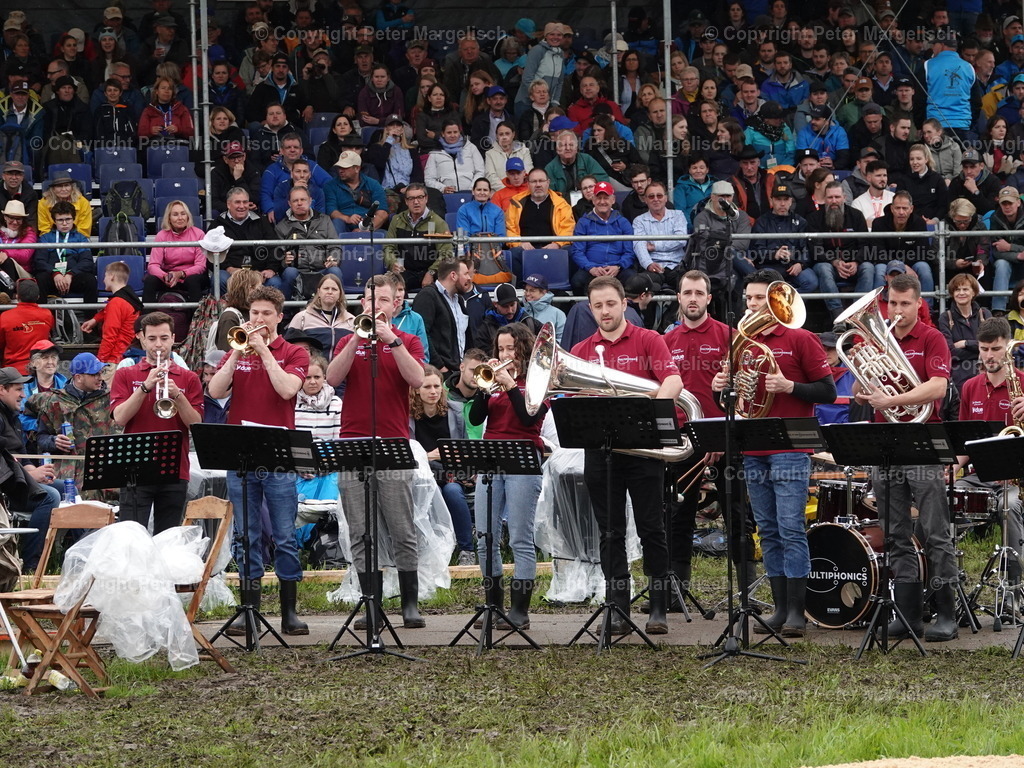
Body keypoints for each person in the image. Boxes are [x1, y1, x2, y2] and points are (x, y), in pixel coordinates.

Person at [713, 269, 836, 638]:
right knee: (766, 529)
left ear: (776, 301)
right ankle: (781, 608)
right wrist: (723, 386)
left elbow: (827, 391)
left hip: (789, 447)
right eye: (748, 298)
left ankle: (798, 610)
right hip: (753, 446)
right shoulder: (740, 340)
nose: (752, 304)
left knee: (790, 527)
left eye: (759, 298)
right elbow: (735, 400)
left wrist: (789, 385)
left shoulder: (801, 338)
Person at [572, 276, 682, 635]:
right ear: (591, 309)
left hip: (642, 450)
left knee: (652, 528)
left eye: (610, 304)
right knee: (609, 532)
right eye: (598, 306)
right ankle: (617, 606)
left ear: (624, 304)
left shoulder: (649, 339)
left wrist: (652, 408)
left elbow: (673, 381)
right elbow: (571, 399)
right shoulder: (582, 350)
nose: (605, 311)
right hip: (601, 452)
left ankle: (659, 605)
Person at [851, 272, 957, 642]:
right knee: (895, 532)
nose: (896, 310)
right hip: (887, 444)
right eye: (891, 304)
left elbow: (937, 386)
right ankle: (908, 614)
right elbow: (859, 386)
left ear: (918, 304)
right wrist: (864, 390)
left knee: (934, 532)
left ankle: (946, 613)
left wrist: (891, 400)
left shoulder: (932, 337)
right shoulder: (878, 340)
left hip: (923, 442)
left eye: (904, 304)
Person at [207, 286, 310, 637]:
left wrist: (265, 351)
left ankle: (289, 612)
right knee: (245, 534)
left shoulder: (294, 352)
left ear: (279, 317)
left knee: (283, 534)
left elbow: (286, 390)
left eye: (266, 314)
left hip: (278, 456)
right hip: (241, 454)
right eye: (254, 314)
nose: (258, 320)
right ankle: (248, 608)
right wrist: (237, 353)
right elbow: (215, 392)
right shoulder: (239, 347)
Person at [326, 275, 427, 629]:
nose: (376, 307)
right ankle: (371, 604)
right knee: (360, 531)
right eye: (370, 302)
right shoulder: (347, 342)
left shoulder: (408, 340)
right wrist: (357, 338)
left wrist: (392, 341)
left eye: (383, 301)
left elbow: (417, 380)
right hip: (352, 442)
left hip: (393, 442)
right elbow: (331, 379)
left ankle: (410, 604)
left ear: (395, 305)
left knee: (401, 526)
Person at [663, 270, 757, 601]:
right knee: (678, 516)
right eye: (686, 292)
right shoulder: (667, 340)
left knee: (737, 517)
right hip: (680, 441)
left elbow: (744, 390)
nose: (692, 298)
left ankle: (748, 594)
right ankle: (676, 595)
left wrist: (720, 435)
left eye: (698, 293)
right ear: (678, 297)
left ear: (708, 298)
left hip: (723, 439)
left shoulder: (728, 335)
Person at [467, 323, 546, 628]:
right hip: (491, 457)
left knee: (520, 537)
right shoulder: (495, 384)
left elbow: (529, 417)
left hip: (524, 458)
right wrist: (484, 391)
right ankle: (493, 605)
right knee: (485, 535)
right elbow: (475, 418)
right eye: (500, 349)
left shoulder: (536, 381)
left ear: (524, 349)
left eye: (511, 348)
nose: (504, 354)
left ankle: (520, 610)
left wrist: (511, 386)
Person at [110, 312, 203, 534]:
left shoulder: (189, 378)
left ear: (173, 338)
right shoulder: (125, 374)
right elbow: (120, 418)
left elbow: (196, 425)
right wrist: (145, 386)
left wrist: (178, 396)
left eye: (163, 338)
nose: (158, 345)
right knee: (132, 536)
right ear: (141, 339)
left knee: (168, 537)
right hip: (134, 468)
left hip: (174, 469)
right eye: (151, 339)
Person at [955, 317, 1024, 589]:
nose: (989, 355)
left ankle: (1014, 590)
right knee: (943, 497)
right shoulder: (970, 386)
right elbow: (965, 442)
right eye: (984, 349)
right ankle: (945, 589)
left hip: (1016, 478)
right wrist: (950, 467)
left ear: (1008, 347)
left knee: (1010, 508)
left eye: (996, 349)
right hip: (979, 476)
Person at [29, 352, 118, 502]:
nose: (100, 378)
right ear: (78, 377)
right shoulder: (53, 401)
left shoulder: (111, 400)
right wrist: (53, 441)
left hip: (100, 478)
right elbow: (40, 438)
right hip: (65, 477)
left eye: (101, 373)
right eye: (94, 374)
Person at [409, 364, 475, 566]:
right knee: (431, 491)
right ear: (417, 389)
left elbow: (463, 447)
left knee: (453, 492)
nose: (433, 391)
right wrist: (427, 456)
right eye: (427, 387)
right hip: (423, 474)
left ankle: (467, 549)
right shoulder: (408, 417)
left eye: (437, 386)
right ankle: (431, 550)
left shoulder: (454, 411)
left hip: (451, 472)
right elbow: (408, 453)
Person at [807, 181, 873, 321]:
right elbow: (815, 249)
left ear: (844, 197)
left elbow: (865, 244)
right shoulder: (814, 218)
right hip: (829, 264)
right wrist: (834, 261)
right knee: (823, 268)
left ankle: (857, 315)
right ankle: (839, 316)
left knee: (868, 267)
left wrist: (856, 261)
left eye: (837, 197)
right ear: (824, 199)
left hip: (853, 264)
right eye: (830, 198)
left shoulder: (856, 215)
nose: (834, 201)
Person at [383, 182, 454, 291]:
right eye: (411, 198)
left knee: (432, 291)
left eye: (420, 197)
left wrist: (431, 272)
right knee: (389, 288)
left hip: (431, 272)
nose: (416, 202)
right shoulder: (396, 221)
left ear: (426, 198)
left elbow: (446, 253)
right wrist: (393, 263)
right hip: (405, 271)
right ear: (406, 201)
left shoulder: (438, 222)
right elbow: (388, 247)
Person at [570, 181, 635, 294]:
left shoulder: (623, 222)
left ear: (613, 200)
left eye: (606, 198)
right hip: (591, 269)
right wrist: (591, 268)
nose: (602, 202)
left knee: (633, 280)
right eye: (598, 198)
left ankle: (627, 310)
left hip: (617, 269)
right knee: (577, 282)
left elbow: (629, 252)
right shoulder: (583, 222)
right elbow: (577, 251)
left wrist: (618, 266)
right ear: (593, 200)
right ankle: (584, 310)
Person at [411, 257, 471, 373]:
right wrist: (440, 367)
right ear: (453, 276)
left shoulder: (458, 300)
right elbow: (421, 334)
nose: (469, 278)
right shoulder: (428, 296)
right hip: (439, 374)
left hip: (458, 371)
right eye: (466, 274)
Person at [274, 185, 339, 293]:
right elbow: (278, 254)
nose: (299, 203)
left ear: (310, 201)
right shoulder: (281, 227)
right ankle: (288, 310)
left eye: (303, 199)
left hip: (322, 269)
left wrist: (334, 259)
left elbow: (335, 246)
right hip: (298, 271)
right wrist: (284, 261)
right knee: (289, 272)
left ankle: (338, 308)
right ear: (289, 204)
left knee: (335, 270)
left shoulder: (324, 220)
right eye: (295, 200)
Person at [631, 180, 689, 293]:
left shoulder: (678, 215)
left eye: (659, 195)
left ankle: (674, 311)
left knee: (689, 287)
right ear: (645, 200)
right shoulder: (639, 220)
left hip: (677, 265)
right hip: (653, 267)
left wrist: (655, 246)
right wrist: (648, 264)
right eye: (651, 196)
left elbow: (681, 240)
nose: (656, 199)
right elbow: (639, 246)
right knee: (641, 287)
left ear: (666, 198)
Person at [144, 200, 206, 303]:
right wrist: (165, 276)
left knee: (193, 281)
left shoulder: (199, 234)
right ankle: (147, 317)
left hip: (190, 275)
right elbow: (153, 265)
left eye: (183, 214)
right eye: (175, 215)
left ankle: (196, 317)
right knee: (150, 281)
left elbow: (200, 266)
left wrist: (181, 274)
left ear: (188, 216)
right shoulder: (161, 235)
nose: (180, 218)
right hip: (168, 276)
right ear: (169, 218)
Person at [32, 200, 94, 303]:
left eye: (68, 219)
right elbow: (39, 261)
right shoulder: (46, 238)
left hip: (73, 277)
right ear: (54, 221)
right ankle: (42, 317)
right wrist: (55, 273)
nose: (64, 223)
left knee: (90, 280)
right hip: (53, 278)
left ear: (73, 219)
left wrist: (71, 274)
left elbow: (87, 261)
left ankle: (90, 317)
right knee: (40, 278)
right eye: (60, 220)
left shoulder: (81, 238)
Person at [80, 261, 143, 364]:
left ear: (112, 276)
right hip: (126, 355)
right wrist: (95, 320)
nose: (103, 280)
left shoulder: (116, 303)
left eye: (105, 276)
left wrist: (100, 362)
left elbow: (109, 337)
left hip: (115, 359)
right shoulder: (129, 298)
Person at [939, 273, 991, 392]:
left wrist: (965, 343)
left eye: (965, 289)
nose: (961, 293)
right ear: (952, 293)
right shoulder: (945, 318)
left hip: (985, 373)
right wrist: (979, 347)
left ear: (973, 292)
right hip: (958, 378)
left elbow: (991, 346)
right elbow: (950, 352)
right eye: (957, 289)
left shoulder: (984, 314)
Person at [287, 273, 354, 356]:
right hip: (312, 367)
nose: (330, 292)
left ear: (340, 293)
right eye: (326, 288)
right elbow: (289, 348)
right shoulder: (301, 318)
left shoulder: (351, 320)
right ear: (319, 292)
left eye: (334, 289)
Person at [324, 150, 390, 233]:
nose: (340, 170)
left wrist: (366, 229)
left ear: (357, 168)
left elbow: (382, 212)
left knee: (384, 234)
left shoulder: (373, 184)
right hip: (343, 226)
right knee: (337, 222)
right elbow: (331, 211)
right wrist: (347, 219)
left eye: (345, 168)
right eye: (339, 167)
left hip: (368, 226)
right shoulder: (330, 185)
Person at [19, 340, 66, 452]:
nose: (50, 362)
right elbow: (19, 418)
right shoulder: (24, 388)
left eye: (54, 357)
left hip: (62, 441)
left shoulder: (66, 385)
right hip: (31, 443)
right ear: (33, 363)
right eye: (45, 358)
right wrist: (43, 425)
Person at [0, 279, 53, 375]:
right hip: (38, 371)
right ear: (38, 297)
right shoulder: (47, 314)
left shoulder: (5, 317)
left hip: (13, 372)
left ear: (17, 296)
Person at [424, 120, 486, 194]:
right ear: (443, 134)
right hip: (447, 196)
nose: (453, 135)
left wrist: (473, 187)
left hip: (471, 194)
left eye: (455, 132)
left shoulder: (471, 148)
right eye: (449, 132)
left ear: (459, 132)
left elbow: (480, 171)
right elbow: (429, 179)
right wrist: (442, 188)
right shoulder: (435, 153)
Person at [520, 273, 565, 343]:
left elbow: (563, 339)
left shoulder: (558, 314)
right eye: (526, 290)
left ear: (544, 292)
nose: (527, 294)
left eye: (532, 290)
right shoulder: (520, 312)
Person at [0, 198, 35, 273]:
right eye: (11, 218)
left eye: (18, 219)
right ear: (5, 217)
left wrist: (6, 253)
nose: (15, 222)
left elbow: (25, 255)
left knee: (7, 262)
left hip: (21, 273)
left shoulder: (29, 233)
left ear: (23, 220)